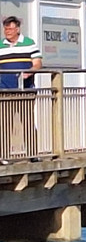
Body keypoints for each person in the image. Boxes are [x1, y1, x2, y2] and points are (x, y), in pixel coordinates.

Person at [0, 16, 42, 159]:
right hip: (5, 90)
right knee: (5, 122)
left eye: (10, 29)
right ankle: (4, 155)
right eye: (6, 29)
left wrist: (30, 71)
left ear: (17, 29)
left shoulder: (29, 43)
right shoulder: (1, 45)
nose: (8, 32)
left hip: (25, 89)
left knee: (27, 120)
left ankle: (33, 153)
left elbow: (37, 63)